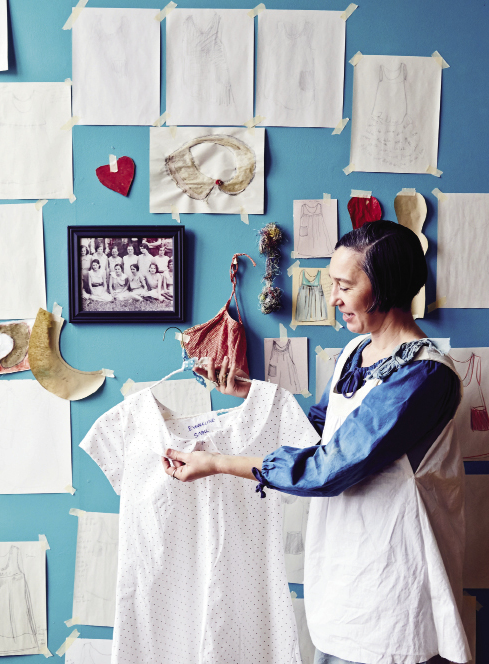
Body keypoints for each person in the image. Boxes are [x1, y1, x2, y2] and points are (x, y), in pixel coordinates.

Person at [162, 221, 470, 664]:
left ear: (386, 285)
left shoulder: (424, 376)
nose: (333, 299)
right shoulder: (353, 354)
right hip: (344, 575)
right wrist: (248, 391)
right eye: (332, 284)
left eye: (345, 285)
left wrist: (215, 462)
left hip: (394, 589)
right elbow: (315, 432)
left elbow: (327, 469)